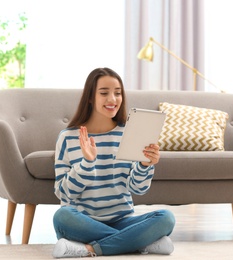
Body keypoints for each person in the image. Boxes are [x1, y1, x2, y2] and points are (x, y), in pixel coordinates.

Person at [52, 67, 175, 258]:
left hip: (122, 220)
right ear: (90, 97)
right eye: (104, 93)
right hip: (84, 222)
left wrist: (145, 165)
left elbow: (138, 189)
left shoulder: (128, 133)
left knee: (166, 218)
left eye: (118, 93)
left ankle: (90, 249)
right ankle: (140, 243)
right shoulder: (68, 138)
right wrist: (87, 163)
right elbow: (63, 193)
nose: (113, 99)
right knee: (62, 217)